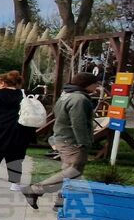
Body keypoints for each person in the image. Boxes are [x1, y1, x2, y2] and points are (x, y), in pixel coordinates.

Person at [23, 73, 101, 209]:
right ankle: (34, 190)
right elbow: (78, 123)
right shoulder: (79, 99)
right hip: (72, 141)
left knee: (72, 174)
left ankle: (61, 202)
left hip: (63, 138)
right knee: (73, 171)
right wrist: (84, 142)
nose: (97, 86)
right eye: (95, 83)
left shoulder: (66, 95)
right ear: (86, 84)